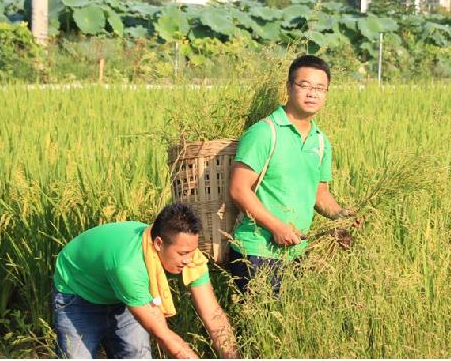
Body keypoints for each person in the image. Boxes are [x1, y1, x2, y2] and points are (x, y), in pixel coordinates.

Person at [228, 54, 353, 295]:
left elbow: (320, 193)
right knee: (258, 328)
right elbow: (238, 189)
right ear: (288, 87)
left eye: (320, 88)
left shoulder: (321, 141)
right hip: (256, 251)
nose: (312, 93)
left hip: (297, 251)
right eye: (304, 85)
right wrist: (277, 227)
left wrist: (341, 216)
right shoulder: (264, 133)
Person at [52, 202, 238, 359]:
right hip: (78, 293)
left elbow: (213, 315)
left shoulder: (189, 254)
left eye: (191, 252)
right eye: (182, 254)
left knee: (137, 355)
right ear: (158, 243)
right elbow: (162, 335)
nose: (188, 259)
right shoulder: (128, 266)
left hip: (124, 294)